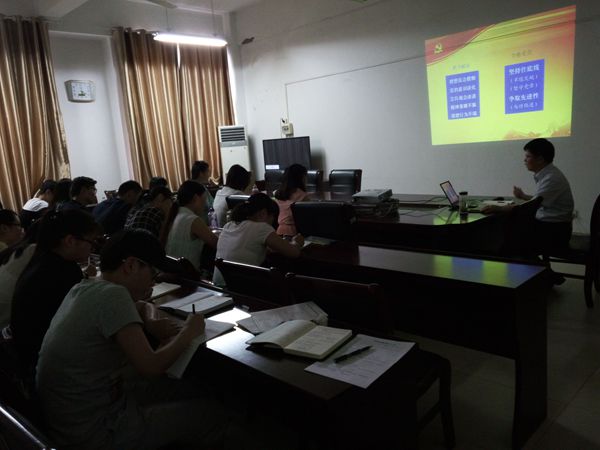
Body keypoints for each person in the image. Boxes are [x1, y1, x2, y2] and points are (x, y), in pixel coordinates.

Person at [35, 229, 229, 450]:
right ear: (131, 265)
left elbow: (140, 306)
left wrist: (150, 318)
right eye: (153, 274)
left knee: (186, 389)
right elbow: (151, 368)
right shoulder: (114, 296)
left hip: (68, 419)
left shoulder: (85, 286)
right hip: (97, 431)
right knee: (210, 413)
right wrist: (189, 331)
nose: (153, 283)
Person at [10, 209, 101, 379]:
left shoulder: (41, 259)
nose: (92, 247)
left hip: (26, 359)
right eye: (91, 242)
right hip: (48, 368)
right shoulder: (64, 272)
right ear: (70, 241)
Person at [482, 138, 574, 283]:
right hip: (552, 226)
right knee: (509, 230)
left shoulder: (551, 178)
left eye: (528, 156)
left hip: (555, 231)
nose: (524, 160)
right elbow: (540, 200)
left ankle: (542, 276)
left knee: (509, 238)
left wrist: (498, 208)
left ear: (540, 159)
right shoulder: (548, 174)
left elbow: (530, 206)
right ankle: (545, 274)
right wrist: (524, 196)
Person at [213, 193, 304, 286]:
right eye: (272, 217)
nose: (272, 223)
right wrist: (296, 242)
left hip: (218, 287)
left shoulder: (229, 225)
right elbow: (294, 253)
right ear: (263, 213)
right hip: (241, 289)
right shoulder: (261, 227)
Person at [165, 181, 218, 270]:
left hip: (173, 271)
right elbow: (216, 244)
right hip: (187, 274)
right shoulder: (192, 219)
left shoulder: (177, 214)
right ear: (196, 198)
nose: (205, 205)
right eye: (204, 200)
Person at [274, 164, 309, 236]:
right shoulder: (301, 195)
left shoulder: (279, 193)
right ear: (301, 178)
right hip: (294, 233)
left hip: (279, 231)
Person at [191, 160, 215, 224]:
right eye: (208, 171)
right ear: (201, 173)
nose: (209, 175)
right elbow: (211, 205)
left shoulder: (202, 187)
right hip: (200, 224)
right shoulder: (196, 189)